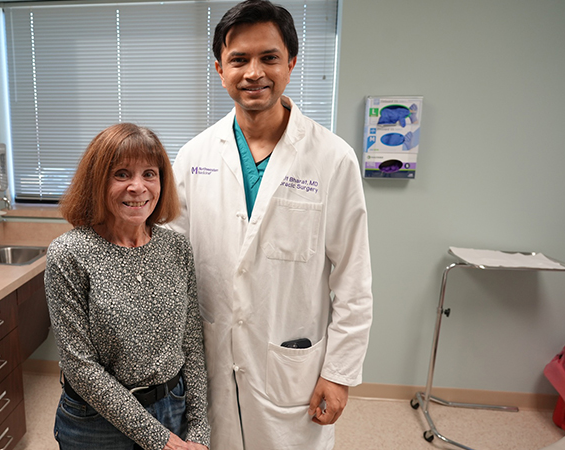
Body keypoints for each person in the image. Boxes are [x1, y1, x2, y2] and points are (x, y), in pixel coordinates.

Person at [167, 1, 373, 449]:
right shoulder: (193, 157)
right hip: (209, 362)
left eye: (269, 57)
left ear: (292, 63)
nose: (253, 72)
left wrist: (338, 375)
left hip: (289, 368)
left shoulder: (332, 158)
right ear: (220, 68)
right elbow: (171, 266)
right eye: (239, 59)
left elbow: (353, 280)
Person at [45, 123, 210, 450]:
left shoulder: (176, 248)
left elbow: (191, 342)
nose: (138, 187)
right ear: (97, 181)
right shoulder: (69, 254)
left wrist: (199, 429)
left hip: (172, 406)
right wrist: (161, 441)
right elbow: (81, 367)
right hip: (96, 424)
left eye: (149, 173)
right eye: (121, 174)